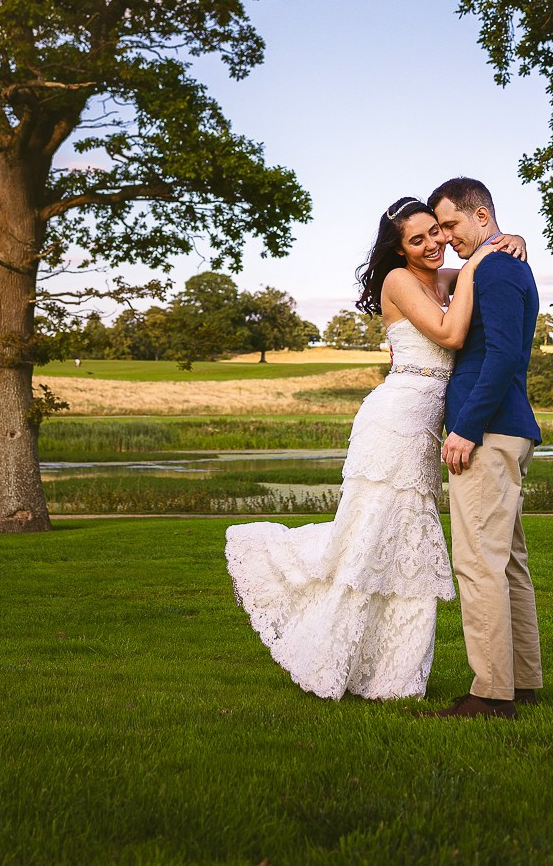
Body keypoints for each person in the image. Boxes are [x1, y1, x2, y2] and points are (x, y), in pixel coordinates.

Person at [224, 197, 526, 700]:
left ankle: (392, 676)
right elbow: (452, 334)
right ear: (399, 249)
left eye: (436, 232)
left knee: (406, 548)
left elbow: (483, 260)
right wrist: (478, 259)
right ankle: (327, 652)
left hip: (428, 424)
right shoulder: (400, 282)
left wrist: (511, 240)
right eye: (418, 239)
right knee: (367, 541)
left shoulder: (446, 276)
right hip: (396, 420)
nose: (434, 244)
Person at [425, 177, 543, 720]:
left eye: (451, 224)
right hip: (511, 429)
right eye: (439, 227)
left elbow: (501, 356)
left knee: (477, 564)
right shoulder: (508, 262)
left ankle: (491, 693)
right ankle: (522, 681)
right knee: (509, 561)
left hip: (489, 430)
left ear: (480, 215)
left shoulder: (495, 267)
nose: (446, 237)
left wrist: (466, 427)